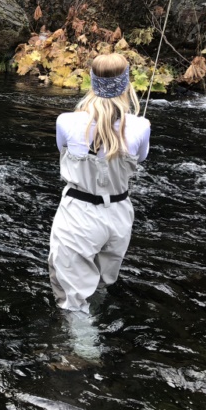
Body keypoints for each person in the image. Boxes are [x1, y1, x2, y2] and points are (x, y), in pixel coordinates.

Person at [48, 53, 151, 314]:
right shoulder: (142, 126)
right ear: (127, 85)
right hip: (118, 218)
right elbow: (140, 157)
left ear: (92, 82)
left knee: (73, 301)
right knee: (102, 287)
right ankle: (98, 333)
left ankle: (83, 353)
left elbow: (62, 149)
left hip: (78, 217)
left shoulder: (66, 121)